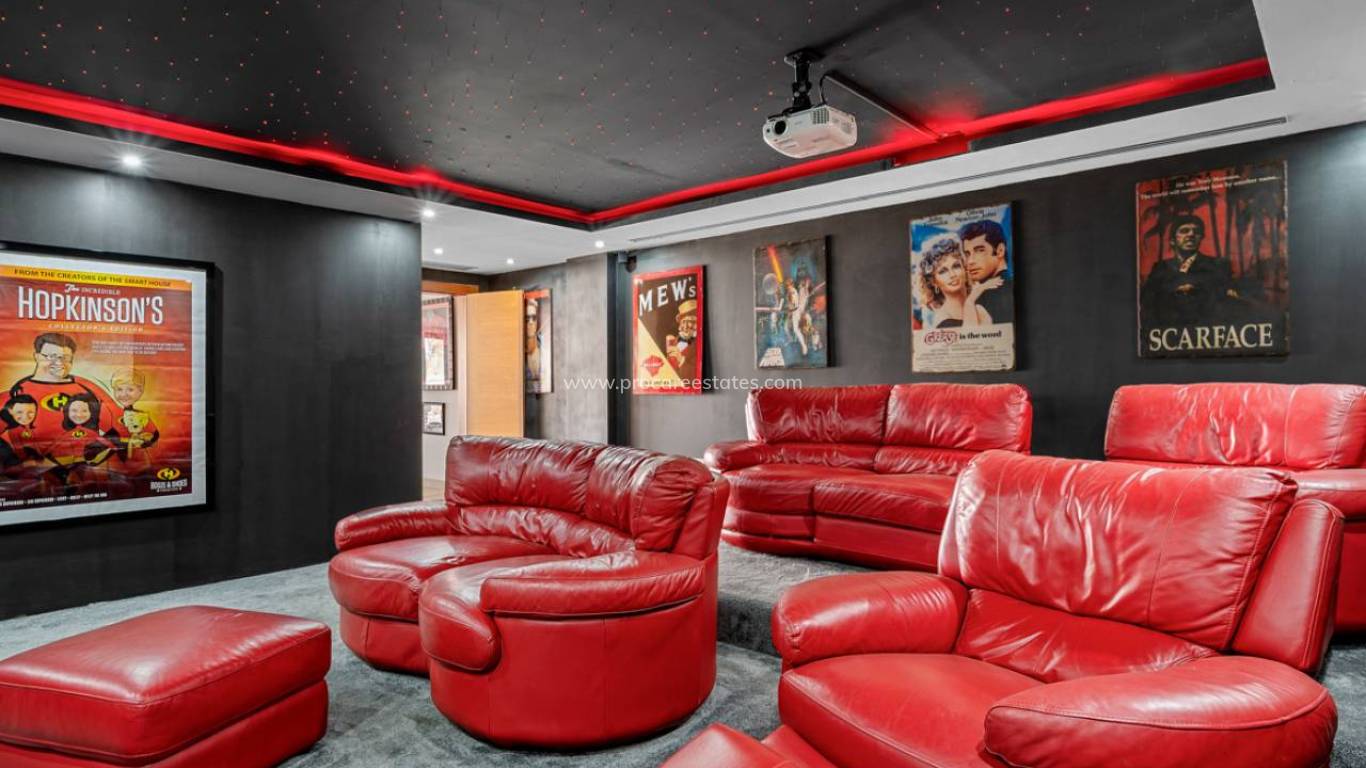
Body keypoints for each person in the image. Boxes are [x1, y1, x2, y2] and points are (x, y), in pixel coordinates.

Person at [8, 333, 123, 445]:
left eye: (66, 358)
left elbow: (120, 426)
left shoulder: (89, 388)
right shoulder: (16, 391)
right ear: (37, 357)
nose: (59, 363)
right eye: (52, 356)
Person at [1140, 214, 1238, 327]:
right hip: (1169, 328)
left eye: (1196, 232)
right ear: (1172, 241)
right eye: (1184, 231)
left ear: (1201, 238)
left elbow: (1225, 298)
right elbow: (1148, 300)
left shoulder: (1218, 265)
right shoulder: (1160, 268)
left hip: (1206, 327)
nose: (1191, 234)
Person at [917, 236, 1000, 328]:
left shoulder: (982, 306)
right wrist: (970, 301)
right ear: (934, 282)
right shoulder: (943, 319)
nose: (952, 275)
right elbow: (970, 335)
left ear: (965, 269)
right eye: (943, 272)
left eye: (956, 266)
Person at [959, 219, 1013, 323]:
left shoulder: (982, 298)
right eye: (967, 254)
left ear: (1000, 250)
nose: (970, 261)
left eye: (979, 250)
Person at [665, 298, 699, 381]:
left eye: (690, 321)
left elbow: (697, 375)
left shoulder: (699, 342)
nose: (685, 326)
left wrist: (681, 360)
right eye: (683, 321)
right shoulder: (676, 340)